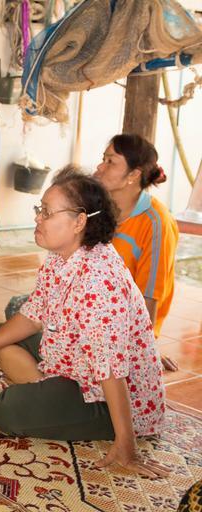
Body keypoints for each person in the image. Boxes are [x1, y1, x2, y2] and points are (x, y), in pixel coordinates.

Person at [0, 167, 168, 479]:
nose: (38, 218)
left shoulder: (99, 281)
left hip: (108, 398)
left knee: (7, 410)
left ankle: (80, 411)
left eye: (47, 212)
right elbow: (32, 315)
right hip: (77, 363)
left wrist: (127, 445)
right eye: (40, 209)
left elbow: (110, 369)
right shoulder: (62, 255)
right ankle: (51, 392)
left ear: (80, 221)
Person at [95, 134, 180, 371]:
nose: (100, 167)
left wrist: (144, 350)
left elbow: (150, 294)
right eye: (103, 159)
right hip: (91, 309)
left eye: (110, 161)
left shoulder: (156, 222)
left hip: (122, 327)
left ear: (133, 175)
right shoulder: (98, 207)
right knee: (19, 308)